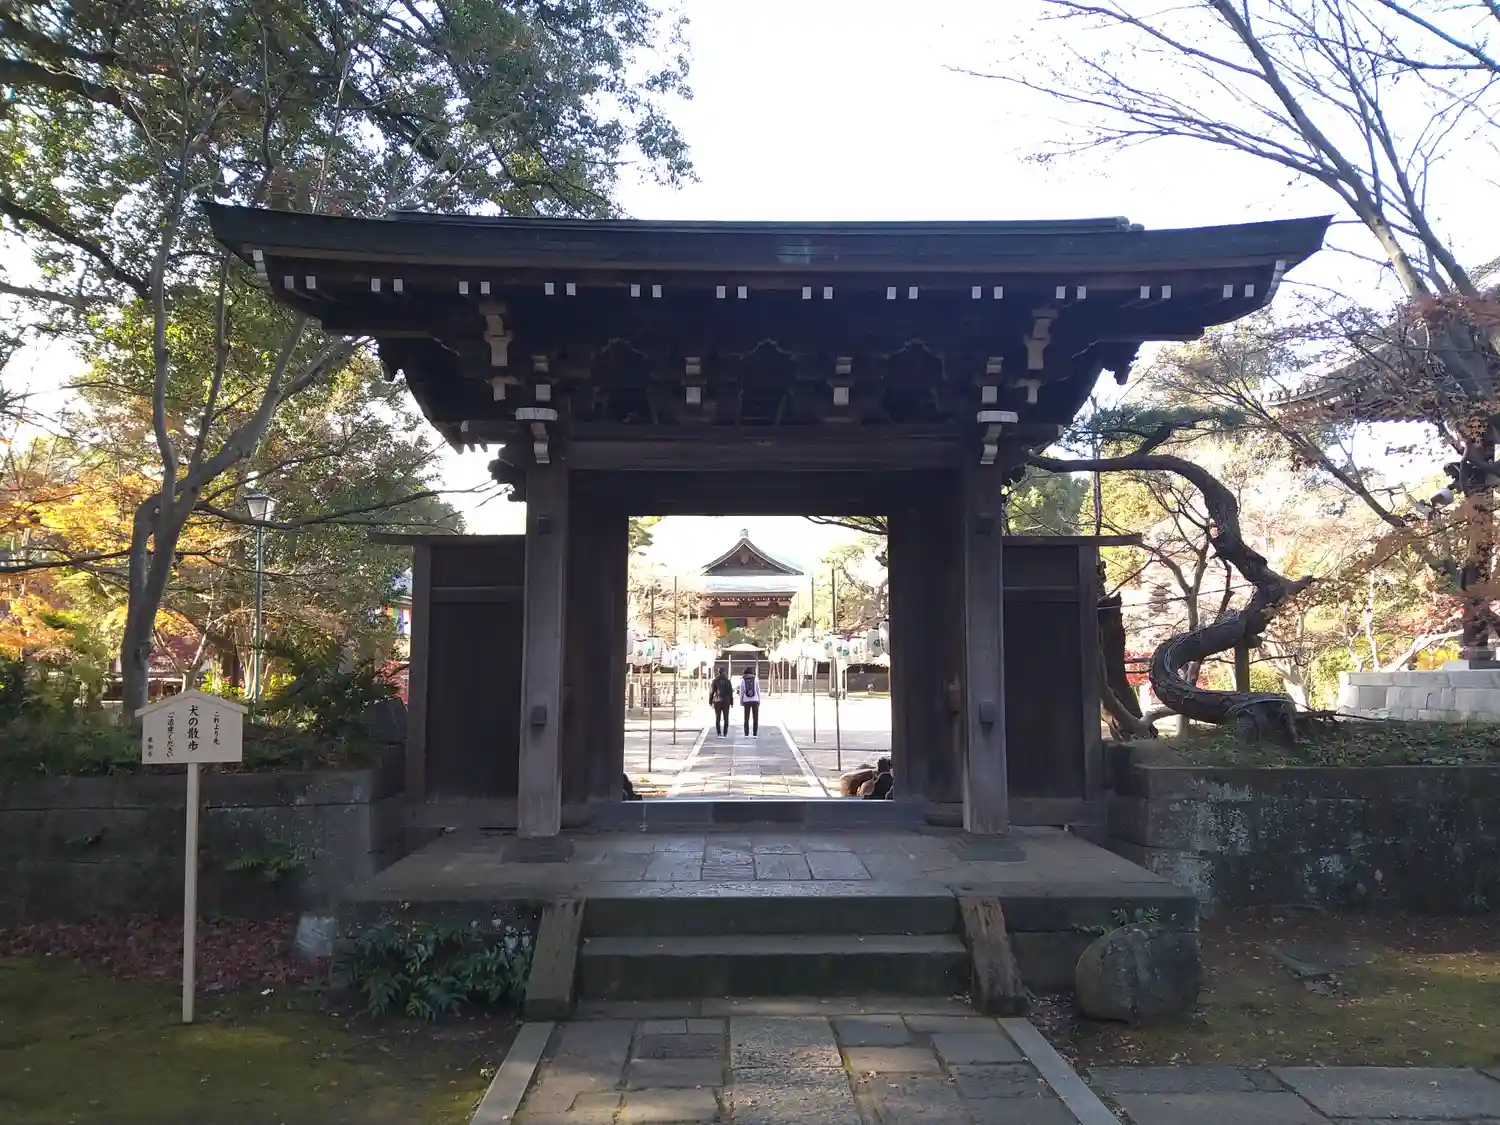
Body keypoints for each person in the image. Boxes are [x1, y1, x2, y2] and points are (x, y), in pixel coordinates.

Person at [709, 669, 733, 736]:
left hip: (717, 701)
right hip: (726, 701)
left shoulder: (715, 681)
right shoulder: (728, 681)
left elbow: (712, 692)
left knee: (718, 717)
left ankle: (719, 733)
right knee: (726, 717)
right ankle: (725, 732)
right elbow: (730, 692)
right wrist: (731, 702)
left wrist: (710, 702)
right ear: (724, 672)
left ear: (718, 672)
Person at [739, 667, 761, 736]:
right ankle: (755, 734)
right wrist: (759, 700)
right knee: (755, 718)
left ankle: (746, 734)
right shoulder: (756, 679)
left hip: (746, 701)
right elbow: (758, 690)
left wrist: (741, 701)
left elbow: (741, 692)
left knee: (746, 718)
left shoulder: (742, 680)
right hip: (755, 700)